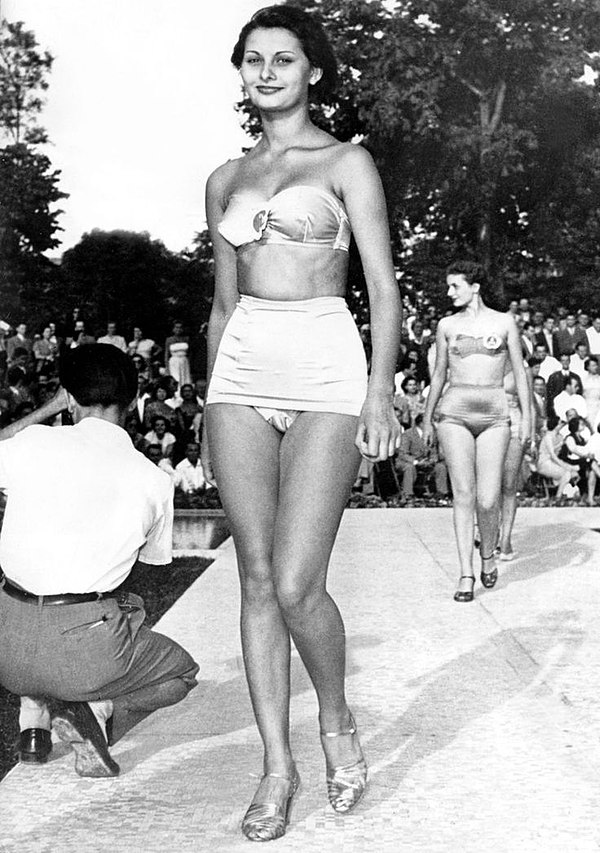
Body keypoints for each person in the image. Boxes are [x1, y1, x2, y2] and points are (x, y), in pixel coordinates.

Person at [202, 5, 401, 842]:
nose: (267, 72)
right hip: (240, 368)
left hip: (325, 363)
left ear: (312, 71)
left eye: (284, 59)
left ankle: (337, 719)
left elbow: (384, 287)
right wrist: (208, 406)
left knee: (295, 583)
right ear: (241, 73)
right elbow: (219, 302)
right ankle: (276, 768)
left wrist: (383, 390)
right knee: (251, 576)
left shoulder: (348, 162)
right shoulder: (223, 178)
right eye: (253, 60)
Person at [0, 345, 198, 776]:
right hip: (82, 648)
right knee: (179, 673)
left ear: (68, 396)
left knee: (34, 577)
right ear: (132, 402)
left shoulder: (32, 443)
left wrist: (46, 410)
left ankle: (32, 726)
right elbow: (151, 561)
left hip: (5, 645)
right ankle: (98, 714)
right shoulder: (153, 478)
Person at [423, 260, 530, 602]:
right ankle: (465, 573)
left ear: (475, 286)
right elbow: (439, 375)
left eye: (455, 285)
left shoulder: (504, 322)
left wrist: (527, 418)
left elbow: (521, 373)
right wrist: (427, 418)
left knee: (488, 499)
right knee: (464, 494)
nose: (449, 292)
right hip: (454, 414)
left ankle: (487, 556)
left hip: (495, 416)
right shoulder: (446, 326)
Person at [497, 355, 534, 560]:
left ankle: (505, 540)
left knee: (509, 484)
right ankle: (489, 532)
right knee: (489, 483)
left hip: (514, 424)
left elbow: (529, 405)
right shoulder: (487, 361)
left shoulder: (523, 368)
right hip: (488, 422)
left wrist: (531, 437)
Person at [164, 321, 192, 391]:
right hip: (174, 362)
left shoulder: (186, 339)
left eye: (180, 327)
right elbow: (166, 354)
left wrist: (189, 362)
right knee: (175, 378)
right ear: (173, 329)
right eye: (176, 327)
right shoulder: (169, 340)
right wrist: (167, 368)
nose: (178, 329)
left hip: (184, 361)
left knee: (185, 378)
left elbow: (190, 353)